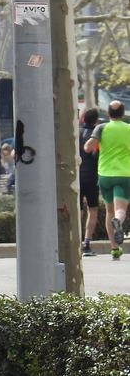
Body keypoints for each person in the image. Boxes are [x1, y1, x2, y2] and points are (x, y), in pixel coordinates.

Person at [84, 99, 130, 259]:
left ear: (109, 113)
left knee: (109, 211)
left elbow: (88, 147)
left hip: (104, 175)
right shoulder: (128, 129)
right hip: (124, 174)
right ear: (123, 114)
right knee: (120, 210)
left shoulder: (101, 128)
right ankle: (119, 221)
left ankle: (114, 248)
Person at [79, 108, 100, 256]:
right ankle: (86, 243)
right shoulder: (97, 135)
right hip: (92, 176)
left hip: (76, 176)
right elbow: (95, 156)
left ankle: (75, 241)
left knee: (77, 211)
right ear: (96, 121)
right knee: (92, 210)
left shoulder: (76, 133)